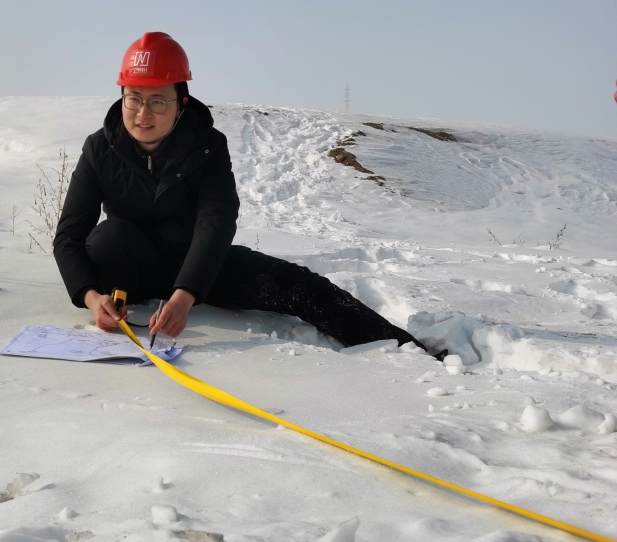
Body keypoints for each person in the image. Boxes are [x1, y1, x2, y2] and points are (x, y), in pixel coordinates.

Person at [53, 31, 444, 360]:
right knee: (107, 237)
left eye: (158, 101)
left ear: (181, 103)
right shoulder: (99, 149)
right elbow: (69, 236)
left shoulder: (207, 146)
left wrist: (184, 296)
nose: (143, 113)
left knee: (298, 285)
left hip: (201, 264)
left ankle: (406, 349)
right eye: (134, 98)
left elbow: (216, 222)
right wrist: (91, 298)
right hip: (131, 268)